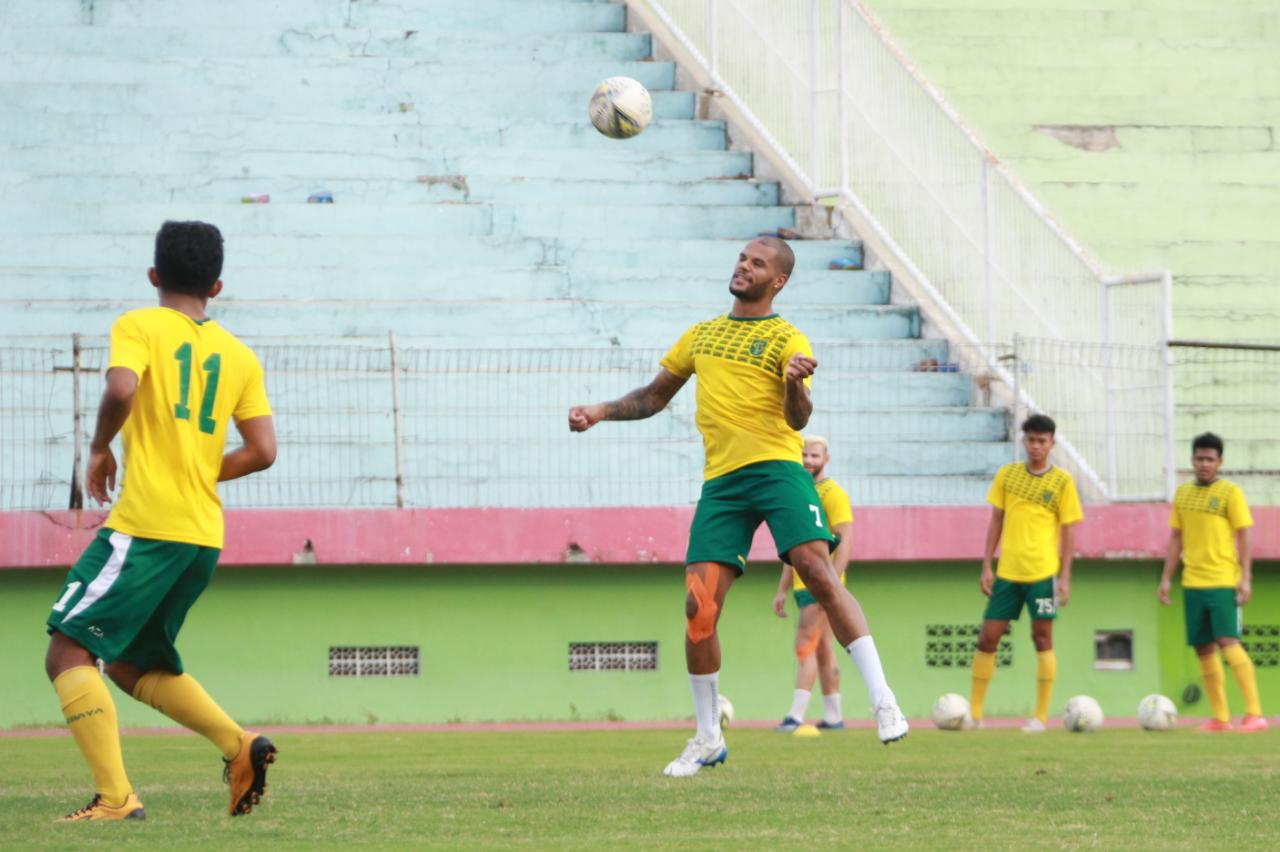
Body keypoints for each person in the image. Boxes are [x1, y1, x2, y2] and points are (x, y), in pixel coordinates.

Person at [569, 237, 908, 778]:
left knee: (818, 573)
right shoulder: (702, 335)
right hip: (722, 483)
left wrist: (795, 384)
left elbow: (798, 420)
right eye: (742, 259)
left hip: (777, 471)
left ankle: (883, 698)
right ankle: (707, 738)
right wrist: (601, 410)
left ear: (778, 281)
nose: (743, 266)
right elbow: (655, 397)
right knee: (697, 610)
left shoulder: (787, 338)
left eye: (757, 263)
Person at [44, 221, 279, 820]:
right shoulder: (239, 355)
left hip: (146, 527)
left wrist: (100, 447)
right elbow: (263, 451)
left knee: (68, 650)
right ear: (217, 286)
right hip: (200, 536)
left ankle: (116, 798)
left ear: (154, 275)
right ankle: (239, 744)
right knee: (130, 663)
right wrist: (199, 470)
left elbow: (122, 390)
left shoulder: (139, 325)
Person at [968, 414, 1082, 732]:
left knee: (1042, 637)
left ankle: (1041, 717)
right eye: (1031, 440)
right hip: (1008, 573)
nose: (1036, 446)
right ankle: (975, 715)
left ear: (1052, 443)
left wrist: (1066, 577)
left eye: (1042, 441)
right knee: (988, 637)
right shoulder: (1007, 476)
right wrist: (987, 565)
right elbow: (996, 521)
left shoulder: (1062, 482)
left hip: (1042, 574)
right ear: (1023, 441)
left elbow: (1070, 531)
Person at [1158, 432, 1266, 732]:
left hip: (1222, 581)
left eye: (1210, 459)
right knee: (1203, 649)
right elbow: (1176, 538)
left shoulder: (1231, 493)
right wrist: (1166, 579)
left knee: (1228, 642)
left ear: (1220, 462)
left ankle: (1255, 715)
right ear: (1192, 460)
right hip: (1192, 582)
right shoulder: (1182, 495)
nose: (1204, 464)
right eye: (1199, 458)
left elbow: (1244, 535)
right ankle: (1221, 719)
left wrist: (1245, 577)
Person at [772, 436, 853, 732]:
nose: (808, 460)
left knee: (804, 645)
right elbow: (794, 547)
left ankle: (795, 715)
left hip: (819, 584)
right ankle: (834, 716)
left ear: (826, 459)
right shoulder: (801, 492)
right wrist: (782, 588)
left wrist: (834, 583)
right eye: (804, 454)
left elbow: (845, 540)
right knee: (823, 648)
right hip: (800, 583)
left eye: (814, 455)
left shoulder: (834, 494)